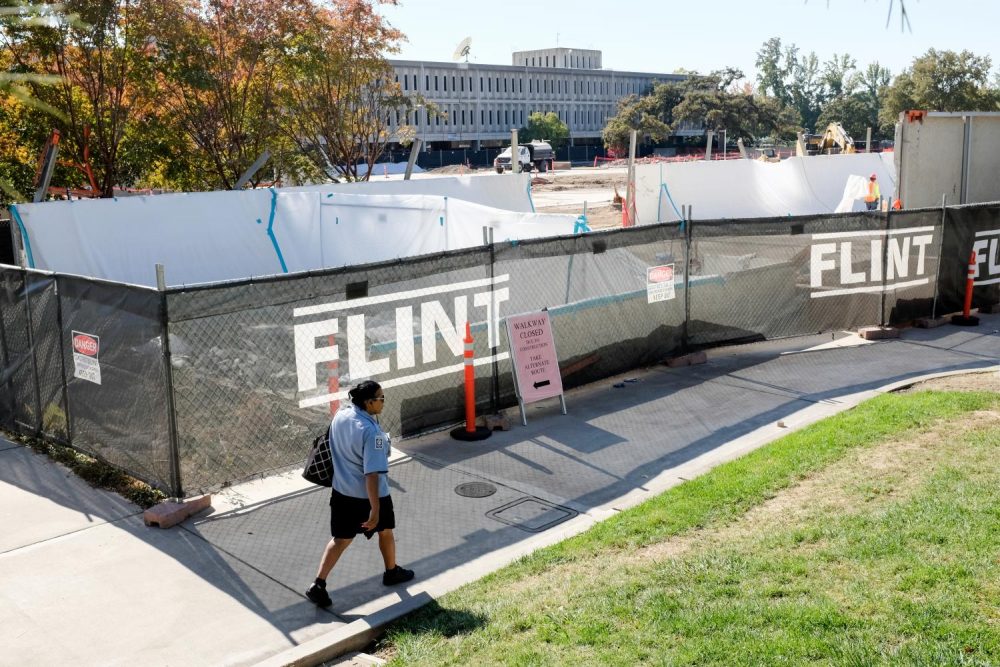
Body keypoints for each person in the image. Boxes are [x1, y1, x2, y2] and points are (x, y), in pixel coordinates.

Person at [305, 380, 414, 608]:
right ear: (368, 402)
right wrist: (375, 509)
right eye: (380, 398)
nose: (383, 402)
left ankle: (319, 584)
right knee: (385, 531)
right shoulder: (372, 433)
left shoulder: (341, 416)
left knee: (340, 539)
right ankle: (391, 571)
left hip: (342, 493)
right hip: (370, 497)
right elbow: (372, 474)